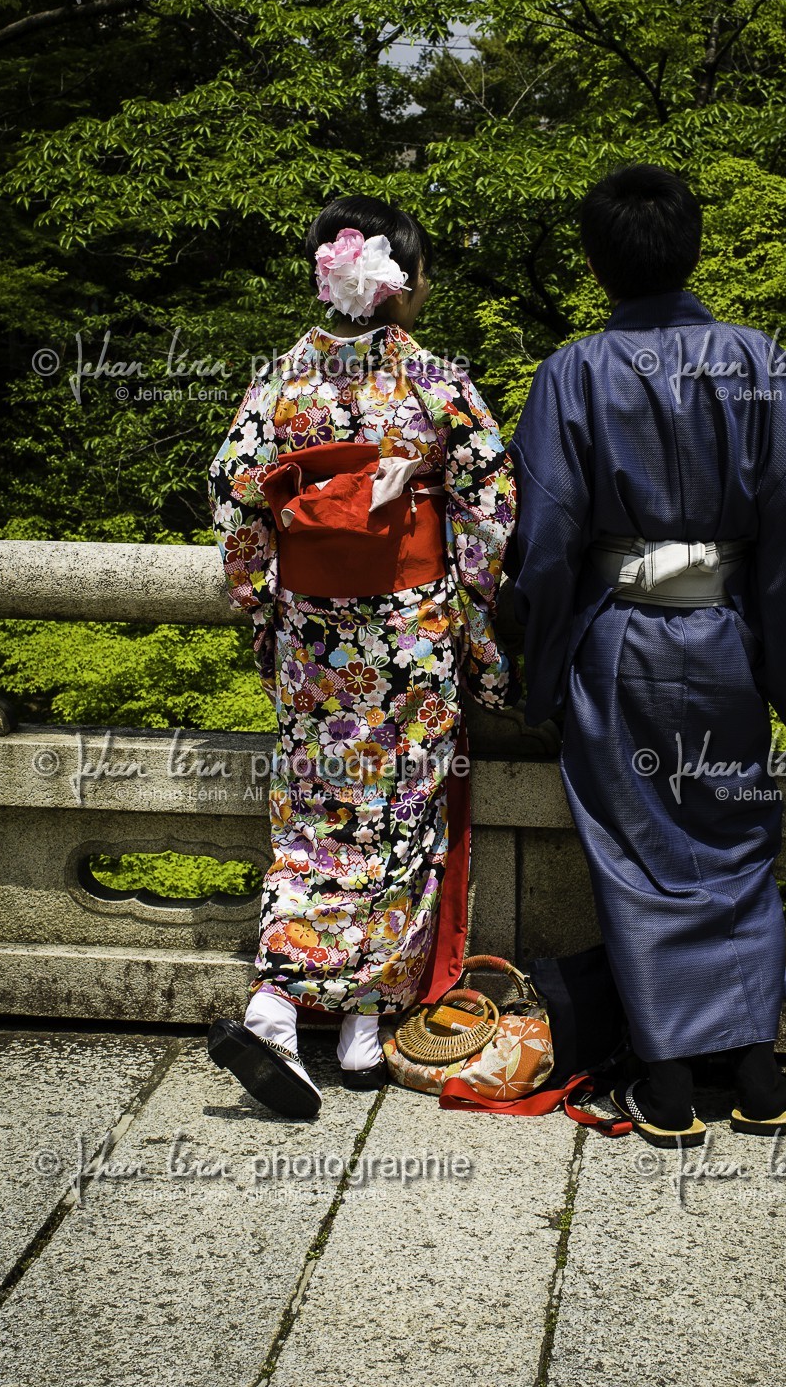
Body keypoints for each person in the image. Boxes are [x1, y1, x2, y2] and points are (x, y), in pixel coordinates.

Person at [505, 164, 786, 1148]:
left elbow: (543, 542)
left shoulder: (571, 372)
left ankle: (661, 1083)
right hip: (724, 634)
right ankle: (754, 1071)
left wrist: (538, 659)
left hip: (620, 636)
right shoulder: (755, 359)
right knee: (735, 845)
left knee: (637, 857)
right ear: (691, 246)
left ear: (595, 260)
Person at [206, 195, 519, 1117]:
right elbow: (490, 517)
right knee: (402, 819)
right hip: (411, 634)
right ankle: (338, 1020)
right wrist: (480, 635)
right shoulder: (436, 380)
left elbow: (234, 500)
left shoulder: (279, 384)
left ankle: (312, 1014)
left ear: (324, 277)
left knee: (315, 817)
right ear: (407, 284)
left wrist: (268, 607)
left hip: (315, 637)